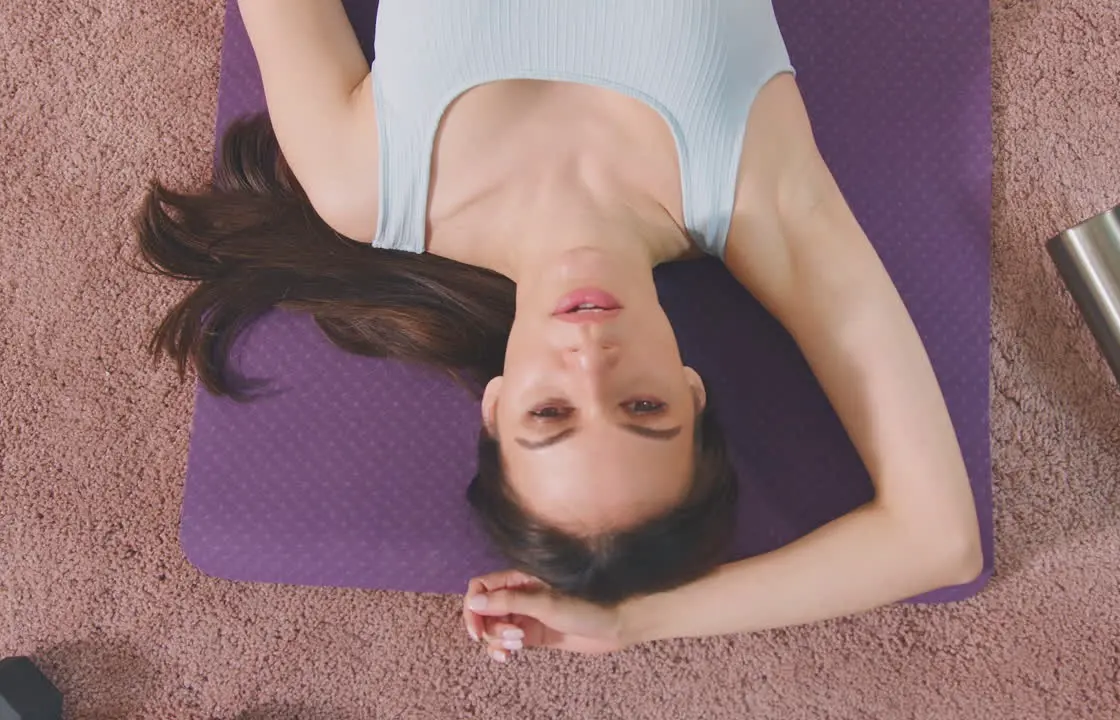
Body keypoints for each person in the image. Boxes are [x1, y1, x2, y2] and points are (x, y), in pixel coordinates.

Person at [137, 0, 983, 663]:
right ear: (693, 387)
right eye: (643, 405)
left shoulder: (368, 186)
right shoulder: (756, 189)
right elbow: (938, 539)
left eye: (551, 415)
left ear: (496, 406)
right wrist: (632, 623)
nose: (590, 362)